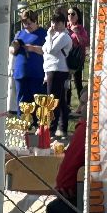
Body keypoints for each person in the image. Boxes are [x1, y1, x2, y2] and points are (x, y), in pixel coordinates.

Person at [41, 10, 74, 141]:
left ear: (63, 23)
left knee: (53, 100)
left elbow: (51, 49)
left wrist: (49, 35)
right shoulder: (54, 35)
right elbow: (44, 49)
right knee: (59, 101)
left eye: (57, 22)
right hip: (50, 69)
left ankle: (53, 128)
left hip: (58, 70)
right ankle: (60, 127)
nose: (54, 25)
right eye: (53, 22)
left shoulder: (64, 37)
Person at [11, 9, 47, 114]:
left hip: (37, 73)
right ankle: (23, 124)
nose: (27, 25)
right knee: (22, 101)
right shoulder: (20, 34)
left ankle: (37, 125)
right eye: (24, 23)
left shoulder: (43, 33)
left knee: (37, 101)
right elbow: (12, 51)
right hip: (21, 73)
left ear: (36, 21)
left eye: (29, 23)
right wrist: (15, 47)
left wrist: (33, 48)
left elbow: (48, 51)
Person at [66, 6, 89, 115]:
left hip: (77, 59)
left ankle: (82, 106)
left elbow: (84, 43)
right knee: (66, 83)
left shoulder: (80, 28)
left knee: (77, 82)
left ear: (78, 16)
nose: (70, 16)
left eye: (73, 14)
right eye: (69, 14)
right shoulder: (65, 27)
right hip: (65, 58)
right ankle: (67, 105)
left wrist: (77, 33)